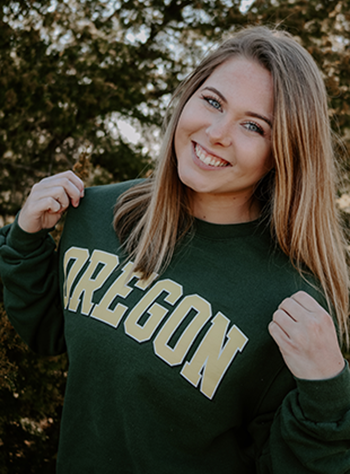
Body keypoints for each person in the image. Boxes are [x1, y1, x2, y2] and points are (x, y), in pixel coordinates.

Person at [0, 26, 350, 474]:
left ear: (281, 153)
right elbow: (49, 332)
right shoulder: (98, 212)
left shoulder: (291, 303)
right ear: (187, 98)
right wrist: (27, 240)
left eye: (252, 126)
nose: (217, 132)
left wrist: (327, 391)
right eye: (212, 101)